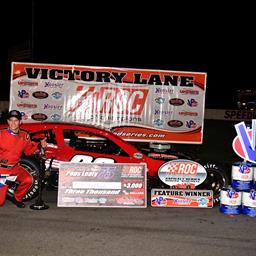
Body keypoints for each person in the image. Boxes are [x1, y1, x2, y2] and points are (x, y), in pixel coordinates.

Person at [0, 110, 47, 208]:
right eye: (10, 120)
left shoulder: (24, 135)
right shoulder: (1, 134)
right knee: (0, 202)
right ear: (7, 121)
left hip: (15, 168)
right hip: (2, 171)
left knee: (28, 179)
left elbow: (29, 151)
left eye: (16, 120)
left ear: (20, 122)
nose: (13, 123)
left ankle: (16, 198)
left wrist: (39, 146)